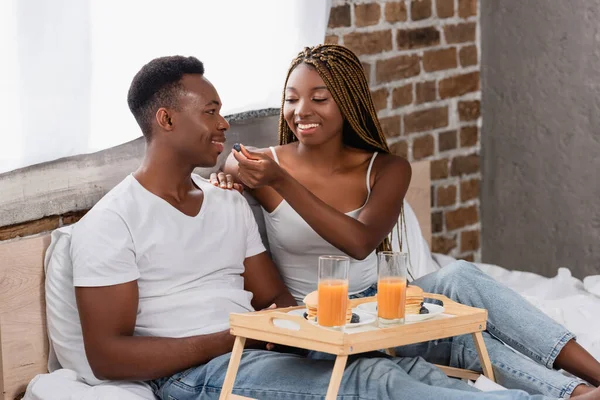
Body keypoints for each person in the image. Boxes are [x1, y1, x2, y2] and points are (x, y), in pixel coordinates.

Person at [66, 55, 600, 400]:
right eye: (212, 112)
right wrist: (235, 335)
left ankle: (576, 391)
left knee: (433, 343)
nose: (225, 124)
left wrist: (284, 330)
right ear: (166, 120)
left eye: (221, 110)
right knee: (375, 379)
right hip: (200, 369)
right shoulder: (113, 222)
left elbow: (274, 298)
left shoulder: (226, 203)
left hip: (282, 337)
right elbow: (108, 355)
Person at [223, 44, 600, 399]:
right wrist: (224, 180)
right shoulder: (260, 166)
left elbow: (360, 241)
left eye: (319, 98)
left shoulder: (385, 168)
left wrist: (282, 182)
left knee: (460, 282)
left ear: (349, 103)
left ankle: (586, 385)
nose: (301, 110)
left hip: (384, 310)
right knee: (463, 340)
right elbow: (214, 182)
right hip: (321, 323)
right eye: (291, 99)